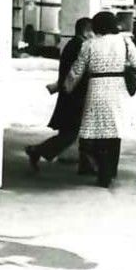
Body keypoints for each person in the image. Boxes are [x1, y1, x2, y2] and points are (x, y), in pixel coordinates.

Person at [65, 10, 136, 187]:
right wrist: (123, 66)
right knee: (114, 131)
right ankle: (111, 170)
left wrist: (67, 87)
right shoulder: (124, 41)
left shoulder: (89, 45)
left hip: (96, 88)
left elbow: (77, 70)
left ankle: (103, 172)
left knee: (98, 132)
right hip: (118, 89)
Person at [25, 17, 93, 174]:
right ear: (86, 31)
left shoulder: (72, 44)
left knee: (71, 132)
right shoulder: (80, 46)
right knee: (71, 133)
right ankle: (37, 150)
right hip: (74, 96)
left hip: (69, 94)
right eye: (92, 31)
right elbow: (76, 73)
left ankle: (86, 164)